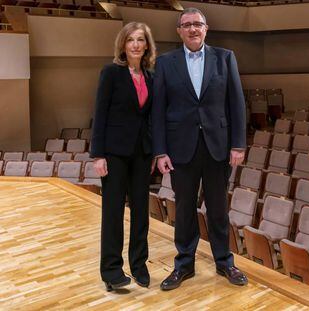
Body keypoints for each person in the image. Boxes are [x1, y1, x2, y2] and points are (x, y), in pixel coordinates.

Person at [152, 7, 248, 291]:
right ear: (179, 31)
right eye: (187, 25)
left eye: (197, 24)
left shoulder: (225, 57)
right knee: (183, 209)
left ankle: (225, 262)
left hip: (217, 146)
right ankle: (184, 265)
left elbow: (237, 103)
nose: (192, 29)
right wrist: (160, 151)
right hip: (181, 148)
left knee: (219, 208)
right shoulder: (166, 63)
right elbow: (157, 110)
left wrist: (238, 145)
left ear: (206, 29)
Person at [90, 22, 156, 292]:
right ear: (123, 44)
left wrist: (153, 150)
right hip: (114, 154)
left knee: (141, 213)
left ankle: (139, 265)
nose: (136, 45)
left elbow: (150, 117)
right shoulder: (111, 73)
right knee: (113, 213)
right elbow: (100, 113)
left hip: (142, 153)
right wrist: (98, 155)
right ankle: (111, 271)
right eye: (131, 40)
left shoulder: (151, 76)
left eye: (141, 40)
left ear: (147, 45)